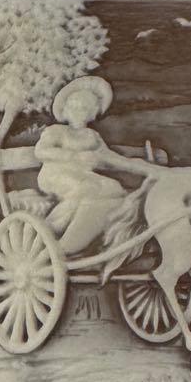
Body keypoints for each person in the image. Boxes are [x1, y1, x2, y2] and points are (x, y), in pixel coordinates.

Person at [35, 76, 131, 254]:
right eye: (75, 107)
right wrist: (74, 156)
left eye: (85, 108)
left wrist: (136, 165)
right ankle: (51, 227)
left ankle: (89, 230)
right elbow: (41, 151)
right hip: (55, 174)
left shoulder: (92, 136)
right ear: (66, 109)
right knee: (87, 187)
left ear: (93, 112)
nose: (79, 112)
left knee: (114, 187)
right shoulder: (56, 131)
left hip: (83, 176)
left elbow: (108, 158)